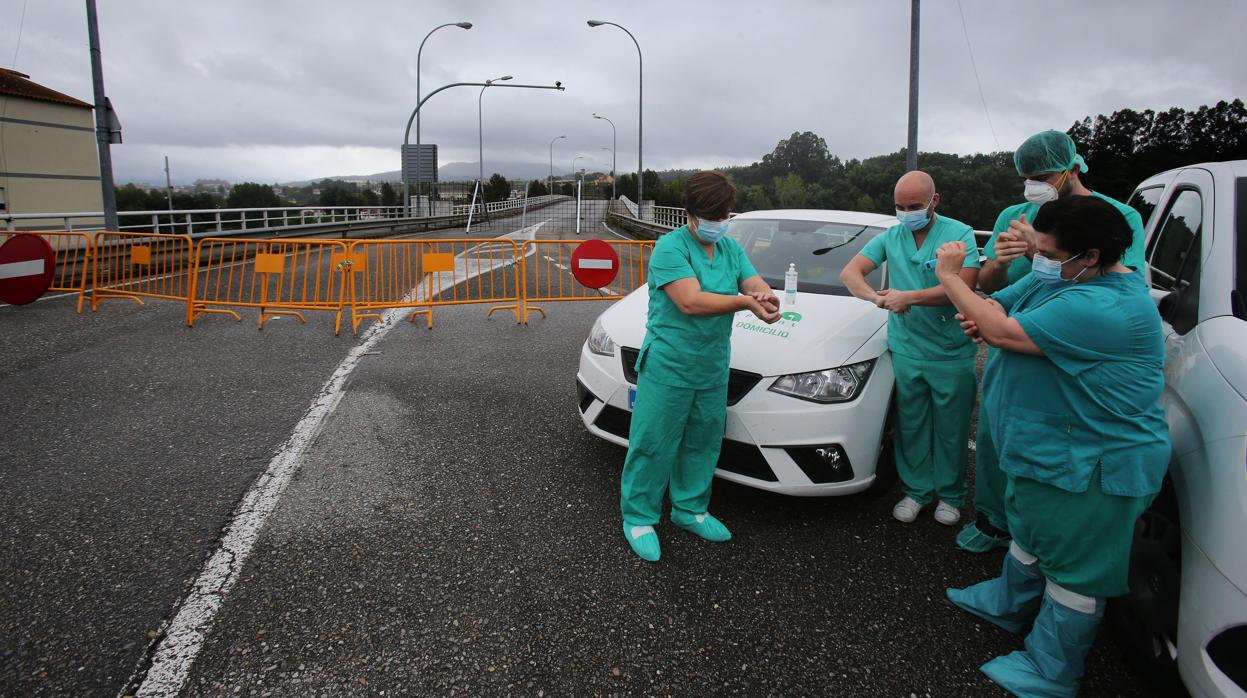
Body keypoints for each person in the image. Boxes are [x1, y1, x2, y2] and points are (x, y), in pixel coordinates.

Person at [933, 195, 1170, 697]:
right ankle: (1008, 602)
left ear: (1088, 256)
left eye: (1047, 252)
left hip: (1094, 463)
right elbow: (1003, 306)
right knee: (1033, 534)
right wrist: (986, 311)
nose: (1037, 259)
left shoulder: (1104, 305)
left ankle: (1052, 670)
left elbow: (1000, 328)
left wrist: (954, 278)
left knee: (1075, 572)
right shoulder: (1064, 275)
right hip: (1049, 450)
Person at [958, 129, 1149, 554]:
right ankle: (995, 522)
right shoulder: (1016, 213)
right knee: (996, 437)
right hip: (1010, 351)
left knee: (1056, 447)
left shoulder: (1116, 218)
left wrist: (1035, 251)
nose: (1034, 186)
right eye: (1027, 177)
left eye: (1043, 175)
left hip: (1069, 354)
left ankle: (1047, 541)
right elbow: (990, 284)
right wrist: (998, 269)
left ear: (1071, 168)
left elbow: (1116, 286)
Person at [620, 170, 781, 562]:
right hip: (669, 363)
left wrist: (762, 293)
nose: (719, 222)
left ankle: (690, 509)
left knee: (703, 441)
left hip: (711, 365)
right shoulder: (670, 248)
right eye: (712, 215)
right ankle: (638, 516)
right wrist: (745, 303)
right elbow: (690, 301)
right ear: (690, 214)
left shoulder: (729, 248)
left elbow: (751, 278)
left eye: (724, 214)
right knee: (654, 441)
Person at [840, 171, 981, 525]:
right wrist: (878, 298)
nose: (906, 213)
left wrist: (910, 297)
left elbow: (964, 285)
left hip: (950, 349)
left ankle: (950, 495)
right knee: (911, 424)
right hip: (906, 346)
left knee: (952, 427)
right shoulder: (892, 235)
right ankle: (916, 491)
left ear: (935, 201)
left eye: (914, 206)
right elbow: (851, 273)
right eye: (900, 207)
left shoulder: (958, 234)